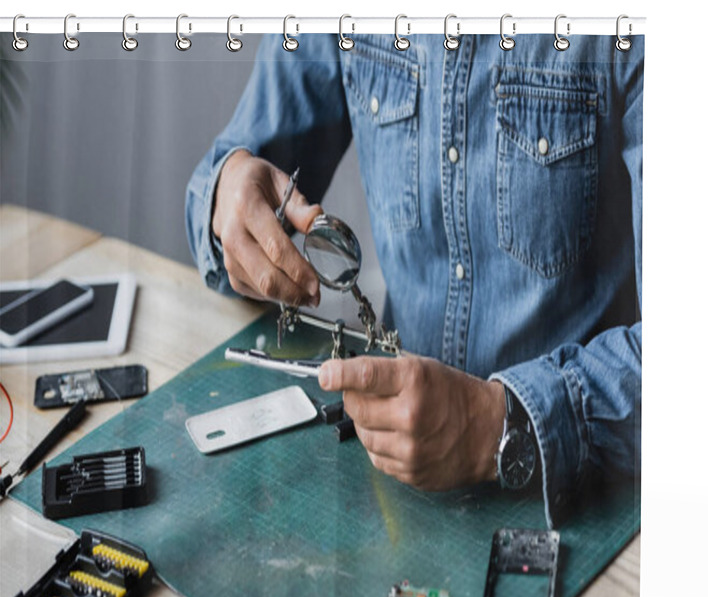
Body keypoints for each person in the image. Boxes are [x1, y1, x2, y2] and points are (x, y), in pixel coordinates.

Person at [186, 33, 643, 528]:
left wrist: (499, 424)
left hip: (590, 499)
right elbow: (228, 175)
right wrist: (226, 199)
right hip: (390, 479)